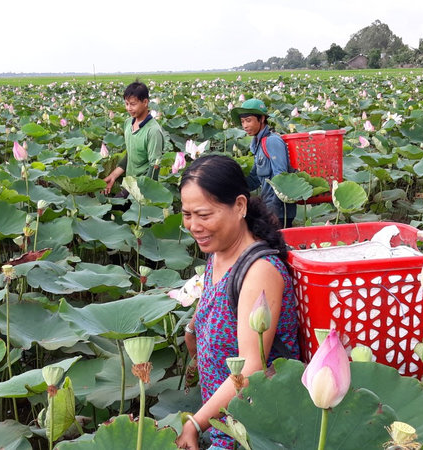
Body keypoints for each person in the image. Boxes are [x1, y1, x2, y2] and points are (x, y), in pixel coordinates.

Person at [176, 155, 300, 450]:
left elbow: (252, 367)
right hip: (222, 421)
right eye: (187, 214)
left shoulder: (260, 271)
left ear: (240, 206)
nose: (194, 226)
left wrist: (194, 423)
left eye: (204, 215)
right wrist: (194, 331)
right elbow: (216, 303)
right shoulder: (217, 251)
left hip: (253, 432)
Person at [231, 98, 296, 228]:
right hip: (267, 207)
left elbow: (281, 177)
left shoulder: (272, 141)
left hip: (279, 212)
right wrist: (234, 185)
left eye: (248, 120)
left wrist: (274, 213)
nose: (245, 126)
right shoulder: (258, 143)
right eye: (243, 122)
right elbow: (255, 178)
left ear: (261, 119)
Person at [102, 81, 165, 195]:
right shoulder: (127, 123)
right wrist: (113, 176)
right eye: (126, 104)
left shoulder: (153, 131)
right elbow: (130, 155)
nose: (129, 108)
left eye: (133, 104)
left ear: (145, 102)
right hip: (129, 184)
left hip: (142, 188)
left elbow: (154, 166)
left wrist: (143, 194)